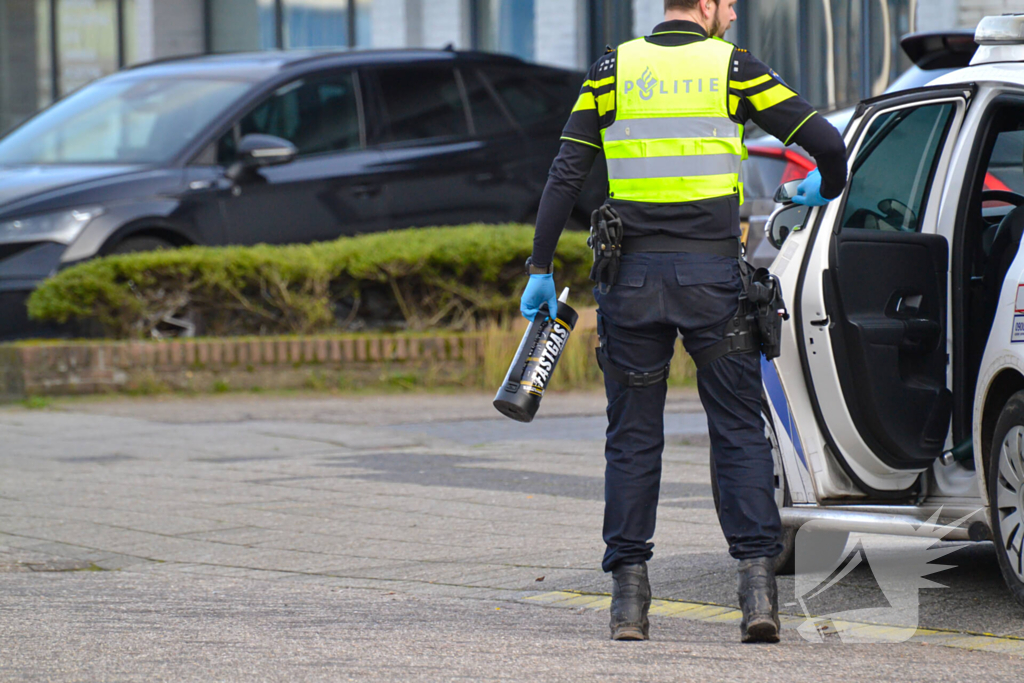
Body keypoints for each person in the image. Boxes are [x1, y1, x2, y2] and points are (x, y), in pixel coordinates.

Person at [520, 0, 848, 643]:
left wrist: (538, 266)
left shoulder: (613, 69)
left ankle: (629, 602)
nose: (732, 14)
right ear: (707, 7)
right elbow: (827, 143)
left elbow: (566, 173)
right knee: (738, 433)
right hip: (712, 284)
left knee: (633, 437)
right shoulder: (733, 68)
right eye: (729, 5)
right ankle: (757, 594)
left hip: (631, 283)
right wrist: (824, 188)